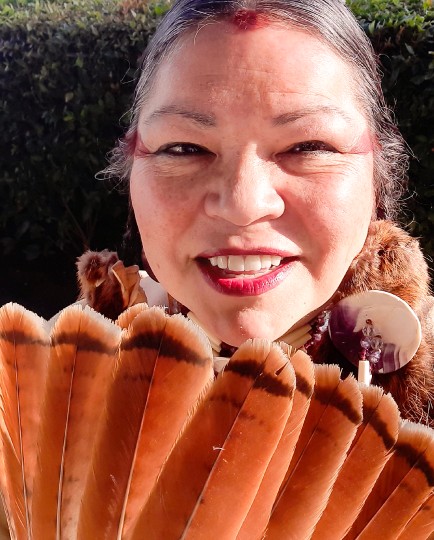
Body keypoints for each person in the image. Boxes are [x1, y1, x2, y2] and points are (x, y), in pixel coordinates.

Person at [80, 0, 434, 427]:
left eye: (309, 147)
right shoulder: (61, 386)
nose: (242, 205)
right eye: (184, 149)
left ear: (379, 172)